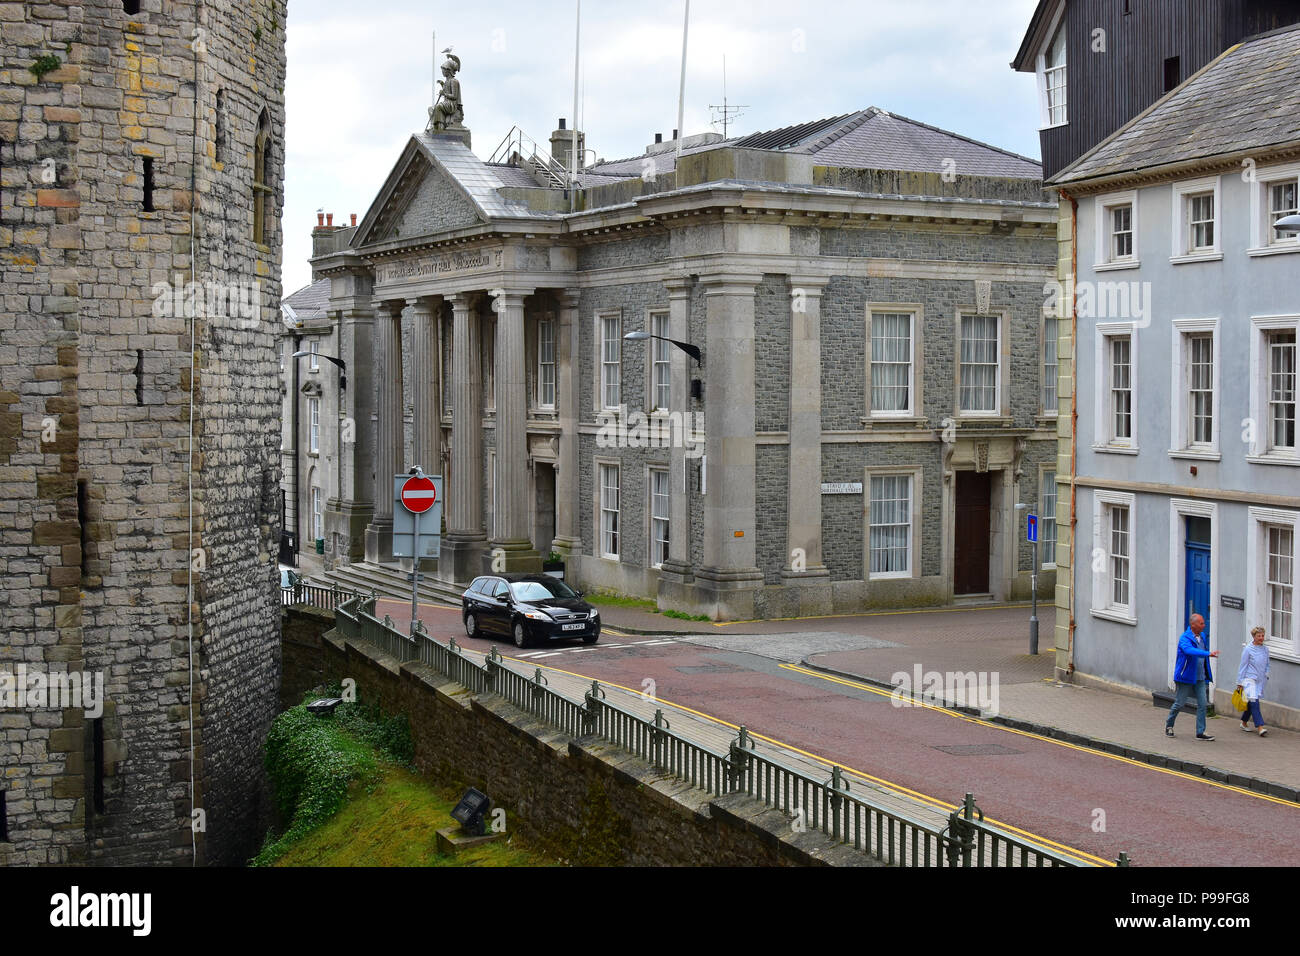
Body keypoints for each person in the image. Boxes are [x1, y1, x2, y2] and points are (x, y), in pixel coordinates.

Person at [1165, 613, 1219, 740]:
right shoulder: (1184, 638)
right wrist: (1208, 654)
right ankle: (1169, 725)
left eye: (1203, 623)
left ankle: (1200, 732)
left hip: (1200, 677)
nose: (1204, 625)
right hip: (1186, 677)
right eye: (1201, 623)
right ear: (1193, 625)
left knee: (1202, 704)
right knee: (1180, 703)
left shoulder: (1203, 636)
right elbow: (1190, 651)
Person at [1236, 626, 1271, 737]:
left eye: (1262, 636)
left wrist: (1267, 674)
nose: (1261, 638)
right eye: (1259, 636)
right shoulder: (1248, 649)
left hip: (1260, 680)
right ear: (1254, 637)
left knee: (1251, 704)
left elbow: (1267, 664)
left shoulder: (1265, 649)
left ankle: (1244, 722)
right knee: (1255, 702)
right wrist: (1240, 682)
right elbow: (1243, 666)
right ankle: (1260, 727)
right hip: (1249, 679)